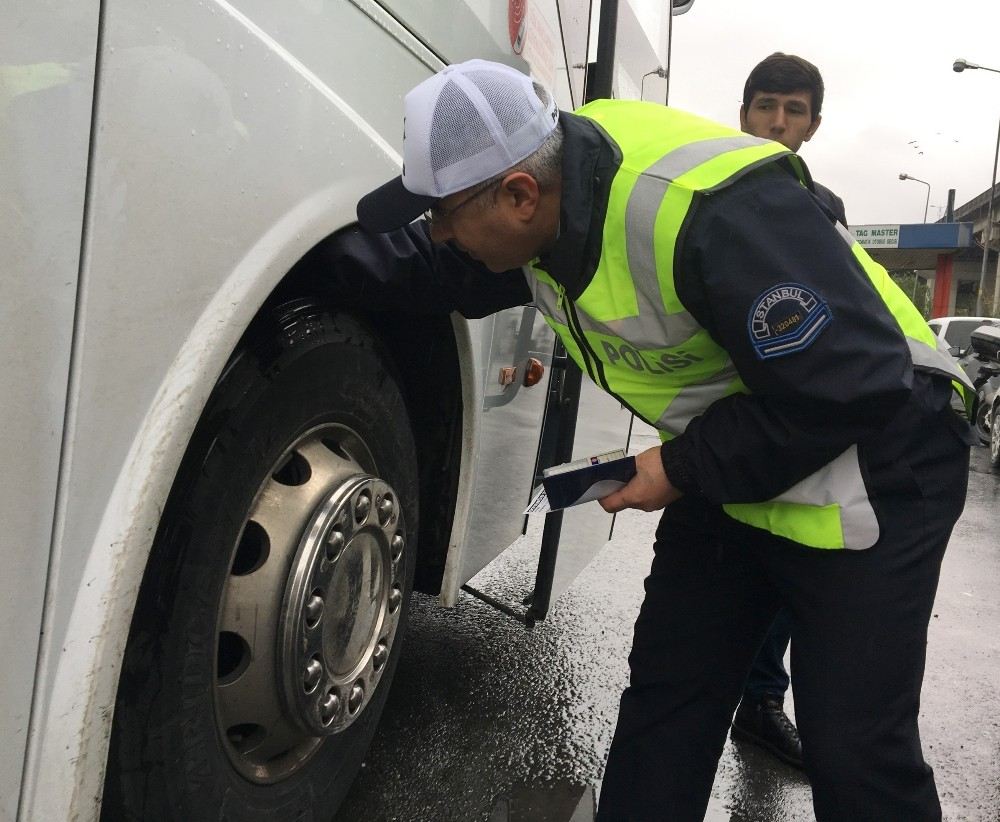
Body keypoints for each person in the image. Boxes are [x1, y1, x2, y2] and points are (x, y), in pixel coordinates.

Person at [342, 58, 974, 821]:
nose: (437, 233)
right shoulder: (543, 211)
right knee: (667, 708)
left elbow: (852, 383)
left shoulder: (708, 214)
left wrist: (675, 465)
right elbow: (434, 272)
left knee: (857, 752)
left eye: (441, 214)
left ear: (518, 195)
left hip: (876, 459)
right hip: (741, 458)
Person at [729, 52, 847, 771]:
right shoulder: (703, 184)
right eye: (767, 104)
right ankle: (710, 704)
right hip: (720, 417)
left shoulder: (823, 206)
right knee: (707, 582)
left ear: (813, 124)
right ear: (742, 111)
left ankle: (763, 705)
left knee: (792, 571)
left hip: (796, 423)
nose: (778, 121)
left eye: (794, 110)